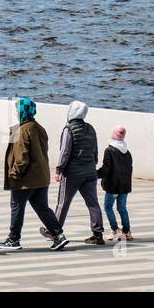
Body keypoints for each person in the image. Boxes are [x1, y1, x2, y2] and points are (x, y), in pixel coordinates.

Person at [0, 97, 69, 251]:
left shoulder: (21, 130)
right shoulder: (39, 128)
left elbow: (21, 157)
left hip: (25, 180)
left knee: (17, 207)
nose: (17, 112)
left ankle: (13, 239)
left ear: (22, 111)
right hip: (41, 177)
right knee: (42, 208)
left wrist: (14, 175)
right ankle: (58, 235)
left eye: (18, 110)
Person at [41, 100, 106, 245]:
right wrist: (91, 165)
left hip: (72, 174)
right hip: (90, 172)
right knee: (93, 203)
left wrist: (59, 170)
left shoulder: (68, 129)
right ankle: (98, 234)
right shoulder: (90, 128)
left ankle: (54, 231)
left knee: (63, 203)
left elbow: (65, 151)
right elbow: (95, 152)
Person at [98, 125, 133, 241]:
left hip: (113, 186)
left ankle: (115, 230)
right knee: (122, 208)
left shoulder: (109, 150)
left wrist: (96, 174)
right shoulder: (127, 152)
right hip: (124, 186)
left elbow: (106, 168)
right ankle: (127, 232)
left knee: (108, 207)